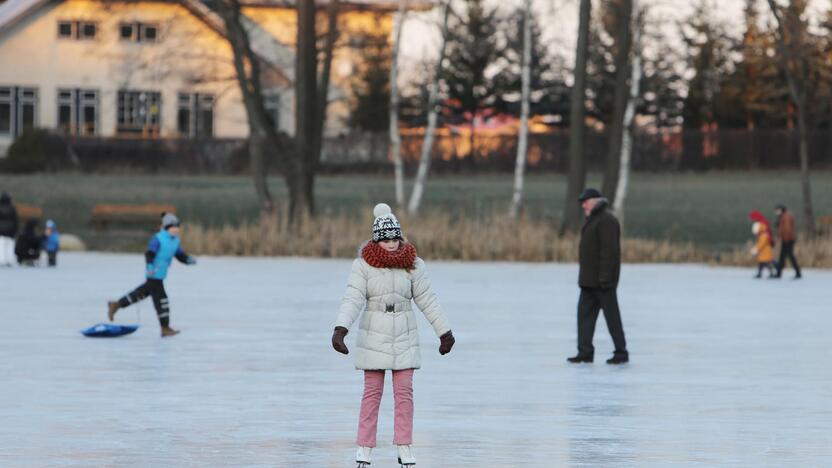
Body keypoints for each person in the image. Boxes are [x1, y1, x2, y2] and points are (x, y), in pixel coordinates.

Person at [332, 203, 455, 468]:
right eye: (385, 239)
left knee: (404, 394)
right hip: (373, 334)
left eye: (394, 238)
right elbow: (352, 298)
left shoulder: (413, 265)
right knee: (371, 393)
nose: (390, 243)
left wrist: (444, 332)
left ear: (400, 237)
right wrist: (341, 329)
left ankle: (404, 446)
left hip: (404, 334)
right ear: (377, 239)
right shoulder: (363, 265)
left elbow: (427, 299)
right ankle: (364, 448)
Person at [107, 213, 196, 337]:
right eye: (173, 227)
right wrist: (149, 266)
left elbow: (180, 255)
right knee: (162, 300)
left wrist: (188, 260)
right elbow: (149, 253)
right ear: (166, 227)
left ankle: (116, 305)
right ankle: (165, 328)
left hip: (160, 275)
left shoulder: (175, 241)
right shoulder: (158, 239)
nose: (176, 229)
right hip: (153, 274)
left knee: (141, 293)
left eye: (177, 227)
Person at [567, 188, 629, 365]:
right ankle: (585, 352)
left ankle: (621, 352)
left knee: (612, 319)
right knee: (584, 319)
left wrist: (606, 278)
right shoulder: (592, 221)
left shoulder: (607, 221)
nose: (583, 205)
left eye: (585, 201)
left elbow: (610, 252)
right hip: (588, 283)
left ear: (595, 201)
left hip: (603, 283)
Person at [773, 204, 801, 279]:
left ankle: (797, 273)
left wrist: (785, 238)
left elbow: (787, 228)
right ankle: (779, 273)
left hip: (788, 239)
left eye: (777, 210)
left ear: (781, 210)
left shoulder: (786, 217)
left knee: (789, 255)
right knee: (783, 256)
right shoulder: (783, 217)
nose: (776, 212)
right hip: (787, 239)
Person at [0, 192, 18, 266]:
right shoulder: (12, 208)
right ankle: (9, 260)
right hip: (11, 231)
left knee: (1, 247)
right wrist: (15, 230)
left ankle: (1, 260)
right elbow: (16, 221)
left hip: (0, 231)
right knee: (10, 246)